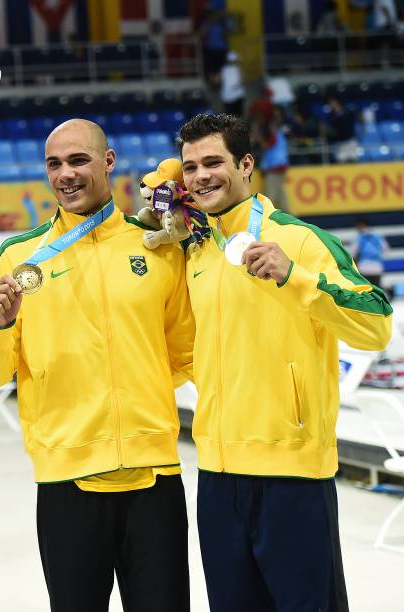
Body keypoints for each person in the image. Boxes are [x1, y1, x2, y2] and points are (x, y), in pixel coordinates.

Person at [0, 119, 195, 612]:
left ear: (109, 161)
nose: (65, 174)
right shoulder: (19, 256)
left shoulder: (155, 247)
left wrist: (135, 390)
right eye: (54, 164)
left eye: (78, 160)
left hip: (153, 476)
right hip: (65, 480)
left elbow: (183, 353)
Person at [176, 113, 392, 611]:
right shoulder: (197, 250)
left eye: (214, 162)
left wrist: (296, 277)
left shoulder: (300, 239)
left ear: (247, 164)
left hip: (292, 475)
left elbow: (377, 321)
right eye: (191, 167)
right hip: (217, 475)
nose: (201, 176)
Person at [351, 217, 389, 288]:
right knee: (377, 289)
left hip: (364, 267)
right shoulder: (378, 236)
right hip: (377, 267)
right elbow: (386, 250)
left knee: (367, 290)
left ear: (360, 225)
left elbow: (353, 254)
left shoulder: (358, 237)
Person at [219, 51, 244, 116]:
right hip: (232, 97)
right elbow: (240, 81)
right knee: (236, 115)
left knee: (231, 116)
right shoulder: (236, 69)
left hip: (232, 96)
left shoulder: (224, 69)